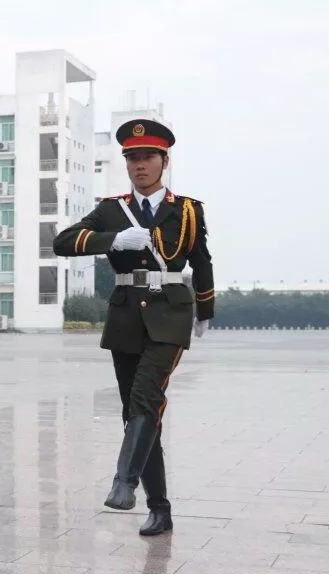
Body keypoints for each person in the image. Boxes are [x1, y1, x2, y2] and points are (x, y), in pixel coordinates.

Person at [53, 119, 215, 536]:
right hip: (126, 316)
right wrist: (113, 240)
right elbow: (62, 242)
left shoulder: (187, 210)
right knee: (137, 414)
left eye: (148, 157)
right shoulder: (112, 210)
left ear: (164, 161)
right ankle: (160, 508)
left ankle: (123, 482)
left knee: (146, 396)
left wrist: (205, 308)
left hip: (170, 313)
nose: (140, 165)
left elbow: (201, 261)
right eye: (132, 158)